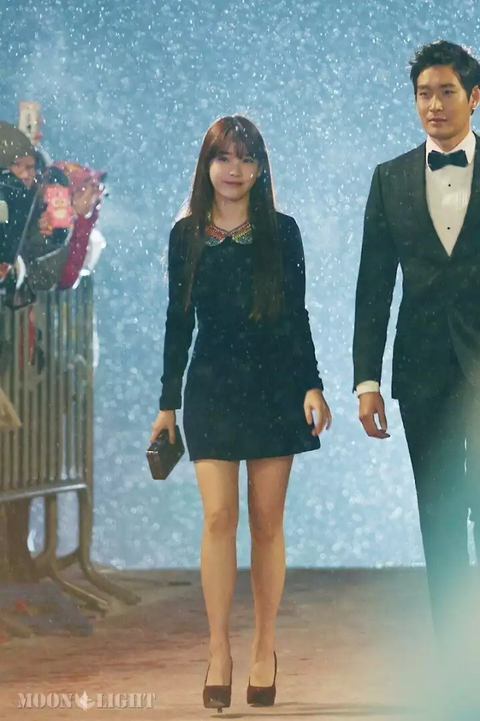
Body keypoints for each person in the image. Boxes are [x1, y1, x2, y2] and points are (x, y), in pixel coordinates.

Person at [151, 115, 331, 711]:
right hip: (210, 386)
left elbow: (297, 314)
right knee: (218, 518)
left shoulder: (283, 231)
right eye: (223, 157)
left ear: (261, 167)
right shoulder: (186, 236)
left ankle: (264, 647)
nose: (235, 169)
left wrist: (312, 384)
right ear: (206, 165)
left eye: (247, 157)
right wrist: (167, 403)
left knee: (267, 521)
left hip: (275, 386)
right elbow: (177, 322)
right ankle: (218, 650)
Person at [353, 41, 480, 720]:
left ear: (474, 97)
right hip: (422, 370)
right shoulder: (390, 177)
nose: (433, 105)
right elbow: (373, 285)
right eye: (423, 94)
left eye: (446, 92)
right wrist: (365, 380)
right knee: (440, 512)